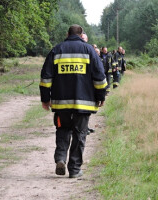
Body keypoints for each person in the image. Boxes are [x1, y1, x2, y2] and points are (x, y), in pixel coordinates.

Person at [39, 24, 107, 178]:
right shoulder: (89, 50)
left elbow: (46, 77)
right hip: (83, 104)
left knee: (62, 130)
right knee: (80, 134)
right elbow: (100, 77)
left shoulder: (57, 50)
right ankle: (75, 170)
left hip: (61, 104)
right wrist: (100, 97)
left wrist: (45, 99)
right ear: (81, 34)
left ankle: (61, 159)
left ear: (67, 33)